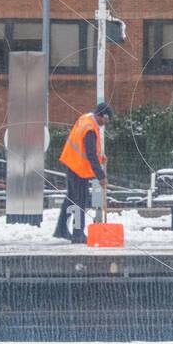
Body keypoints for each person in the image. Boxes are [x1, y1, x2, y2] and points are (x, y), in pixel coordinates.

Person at [53, 102, 113, 244]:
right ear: (101, 116)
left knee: (72, 198)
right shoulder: (90, 129)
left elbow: (88, 150)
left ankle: (61, 229)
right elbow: (90, 154)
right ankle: (77, 234)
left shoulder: (86, 119)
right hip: (78, 168)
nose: (106, 122)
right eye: (106, 119)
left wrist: (101, 158)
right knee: (79, 201)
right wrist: (101, 177)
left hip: (72, 163)